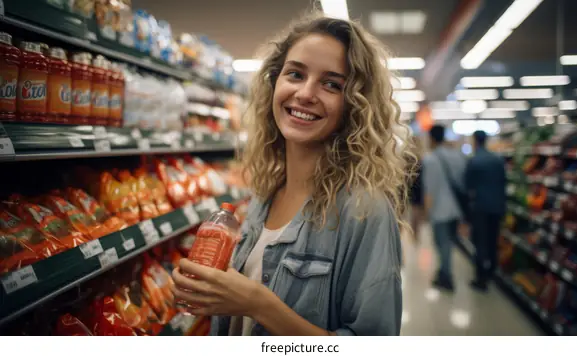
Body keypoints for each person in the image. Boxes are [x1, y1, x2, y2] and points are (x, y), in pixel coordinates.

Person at [171, 14, 416, 336]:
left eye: (332, 84)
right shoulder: (266, 192)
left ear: (354, 103)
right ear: (275, 82)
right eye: (295, 74)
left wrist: (259, 304)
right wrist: (214, 290)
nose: (305, 93)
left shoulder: (364, 209)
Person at [422, 124, 467, 292]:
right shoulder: (457, 156)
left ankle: (446, 277)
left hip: (439, 210)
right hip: (456, 209)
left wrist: (426, 213)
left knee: (442, 244)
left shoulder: (431, 159)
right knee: (449, 242)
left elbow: (429, 190)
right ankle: (444, 271)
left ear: (432, 138)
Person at [465, 130, 506, 292]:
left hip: (480, 207)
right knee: (492, 241)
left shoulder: (474, 161)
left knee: (480, 242)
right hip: (497, 206)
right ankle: (492, 272)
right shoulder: (497, 160)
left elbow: (468, 186)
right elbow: (503, 182)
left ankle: (481, 278)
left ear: (475, 141)